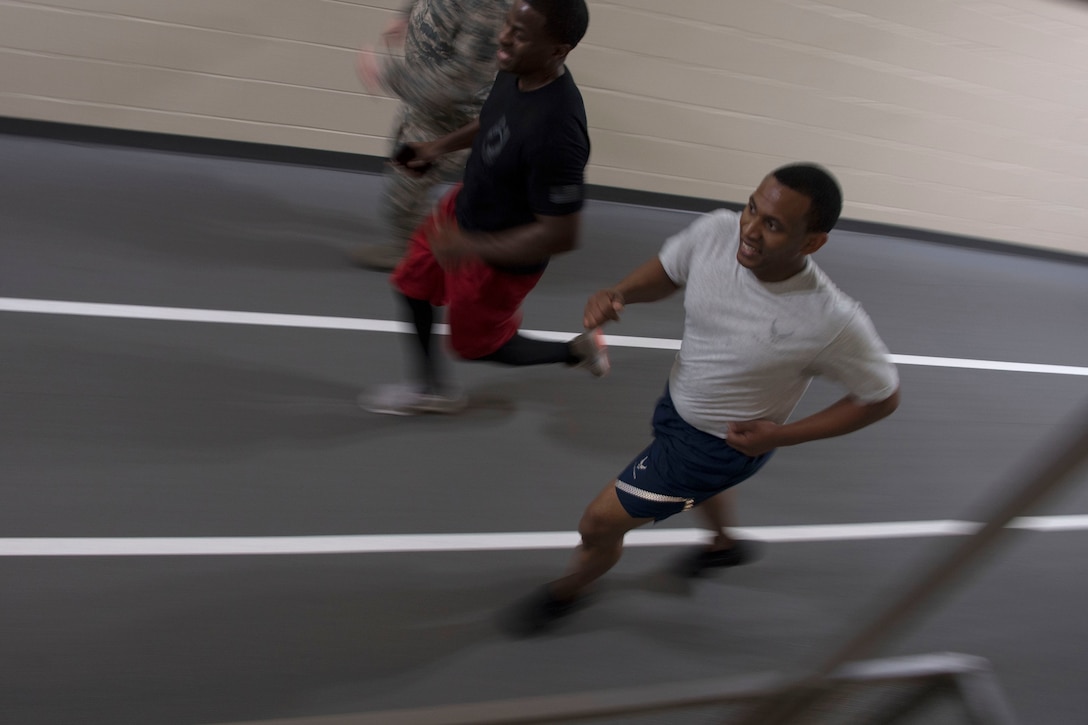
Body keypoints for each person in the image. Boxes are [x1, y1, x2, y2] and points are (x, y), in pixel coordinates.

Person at [508, 163, 902, 634]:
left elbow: (881, 397)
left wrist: (781, 436)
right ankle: (723, 545)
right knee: (700, 494)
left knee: (598, 524)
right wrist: (621, 293)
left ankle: (568, 591)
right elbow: (672, 272)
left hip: (714, 449)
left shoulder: (831, 320)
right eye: (752, 209)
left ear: (812, 241)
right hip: (678, 405)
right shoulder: (717, 231)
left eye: (773, 225)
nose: (750, 231)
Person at [362, 0, 604, 416]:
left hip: (500, 258)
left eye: (520, 34)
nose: (504, 37)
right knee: (411, 285)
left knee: (475, 347)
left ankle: (575, 351)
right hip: (463, 210)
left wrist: (471, 247)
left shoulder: (559, 130)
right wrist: (433, 149)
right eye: (508, 25)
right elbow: (494, 120)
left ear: (558, 50)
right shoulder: (515, 72)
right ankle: (429, 390)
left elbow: (560, 234)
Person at [352, 0, 512, 271]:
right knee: (402, 173)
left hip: (458, 120)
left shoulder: (488, 9)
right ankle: (421, 247)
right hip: (428, 106)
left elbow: (461, 81)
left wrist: (386, 76)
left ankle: (422, 254)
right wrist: (406, 16)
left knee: (404, 190)